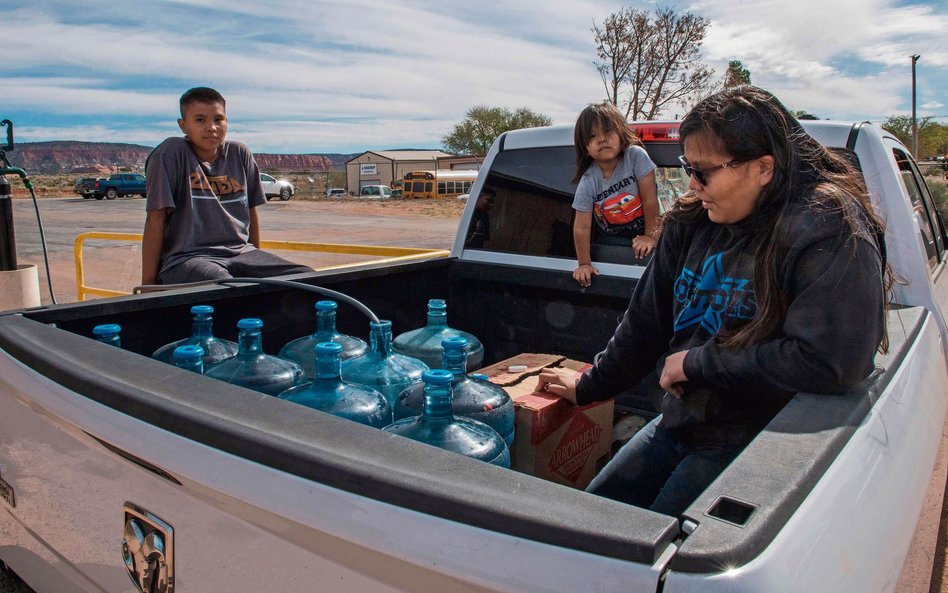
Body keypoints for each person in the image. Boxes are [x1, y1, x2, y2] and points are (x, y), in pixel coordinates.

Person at [538, 85, 889, 518]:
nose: (691, 184)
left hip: (754, 447)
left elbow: (831, 360)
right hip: (678, 422)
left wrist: (697, 362)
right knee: (583, 522)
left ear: (763, 168)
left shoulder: (824, 227)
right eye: (689, 166)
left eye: (704, 171)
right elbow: (645, 323)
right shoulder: (692, 219)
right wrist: (589, 386)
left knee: (650, 555)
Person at [142, 87, 312, 285]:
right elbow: (155, 219)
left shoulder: (238, 153)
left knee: (307, 278)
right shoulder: (171, 153)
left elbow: (250, 212)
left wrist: (255, 259)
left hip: (240, 252)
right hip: (187, 258)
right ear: (183, 125)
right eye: (200, 120)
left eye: (218, 119)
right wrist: (148, 283)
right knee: (226, 287)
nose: (211, 127)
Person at [571, 101, 660, 288]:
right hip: (610, 240)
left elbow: (649, 199)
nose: (601, 139)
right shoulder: (588, 181)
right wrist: (584, 264)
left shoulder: (635, 156)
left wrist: (650, 236)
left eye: (607, 131)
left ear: (621, 133)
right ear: (585, 147)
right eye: (593, 136)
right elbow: (582, 227)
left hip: (643, 229)